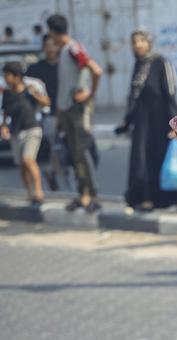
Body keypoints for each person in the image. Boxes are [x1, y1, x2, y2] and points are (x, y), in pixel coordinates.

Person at [115, 29, 177, 212]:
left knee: (162, 157)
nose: (138, 44)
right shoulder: (138, 64)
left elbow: (170, 93)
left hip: (161, 121)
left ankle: (174, 200)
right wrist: (127, 120)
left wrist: (175, 123)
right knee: (142, 160)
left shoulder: (161, 62)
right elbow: (134, 96)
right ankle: (146, 199)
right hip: (142, 122)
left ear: (149, 42)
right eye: (134, 41)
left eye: (141, 40)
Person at [46, 13, 103, 213]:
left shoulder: (73, 49)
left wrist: (90, 94)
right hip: (68, 109)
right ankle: (83, 195)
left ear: (52, 32)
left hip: (78, 109)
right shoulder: (64, 51)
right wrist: (61, 115)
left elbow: (96, 70)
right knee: (75, 155)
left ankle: (92, 195)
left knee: (82, 153)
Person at [1, 61, 50, 205]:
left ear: (16, 76)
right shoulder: (7, 93)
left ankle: (39, 191)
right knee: (22, 164)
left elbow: (47, 103)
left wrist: (35, 94)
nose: (5, 78)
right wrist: (3, 126)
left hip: (32, 129)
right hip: (16, 131)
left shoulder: (30, 89)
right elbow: (5, 112)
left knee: (28, 159)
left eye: (8, 75)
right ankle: (29, 192)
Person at [26, 33, 69, 191]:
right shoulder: (35, 69)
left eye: (54, 45)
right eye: (47, 45)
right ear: (43, 47)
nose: (51, 48)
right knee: (54, 142)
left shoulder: (66, 67)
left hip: (67, 112)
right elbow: (26, 90)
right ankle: (57, 173)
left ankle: (54, 170)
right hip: (48, 115)